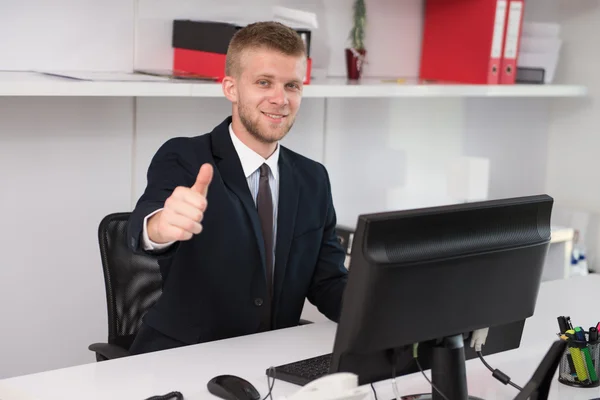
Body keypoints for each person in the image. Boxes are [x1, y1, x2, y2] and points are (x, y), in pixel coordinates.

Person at [127, 21, 348, 355]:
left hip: (272, 360)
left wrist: (392, 314)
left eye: (292, 85)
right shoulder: (185, 157)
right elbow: (146, 224)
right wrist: (161, 226)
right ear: (231, 88)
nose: (280, 99)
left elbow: (328, 282)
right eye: (264, 82)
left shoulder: (312, 178)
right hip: (183, 357)